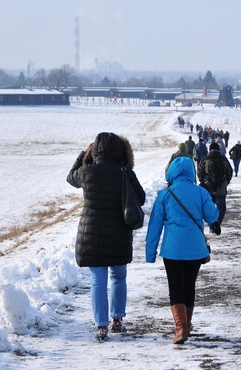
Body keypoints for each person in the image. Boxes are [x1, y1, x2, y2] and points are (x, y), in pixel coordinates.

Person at [67, 132, 146, 341]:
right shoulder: (124, 172)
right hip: (119, 234)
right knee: (118, 277)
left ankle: (101, 326)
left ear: (96, 150)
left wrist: (83, 154)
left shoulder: (86, 171)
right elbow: (141, 198)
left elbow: (70, 176)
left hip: (92, 234)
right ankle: (117, 320)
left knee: (97, 281)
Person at [146, 156, 220, 344]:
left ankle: (181, 329)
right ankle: (186, 325)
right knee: (189, 285)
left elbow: (154, 226)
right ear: (191, 172)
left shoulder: (165, 194)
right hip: (195, 249)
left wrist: (150, 253)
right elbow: (212, 216)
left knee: (175, 286)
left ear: (171, 172)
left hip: (172, 250)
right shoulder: (200, 192)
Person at [197, 142, 232, 234]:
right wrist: (225, 183)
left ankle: (212, 226)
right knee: (221, 208)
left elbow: (200, 173)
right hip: (221, 189)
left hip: (208, 189)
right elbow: (229, 172)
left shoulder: (205, 160)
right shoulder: (223, 159)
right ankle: (218, 223)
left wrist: (204, 182)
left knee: (209, 208)